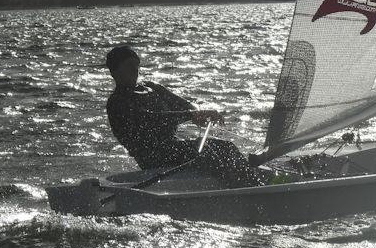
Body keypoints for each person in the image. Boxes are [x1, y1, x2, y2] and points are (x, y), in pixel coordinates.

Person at [105, 45, 265, 188]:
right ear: (114, 72)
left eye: (136, 65)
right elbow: (153, 119)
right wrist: (191, 115)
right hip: (154, 156)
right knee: (219, 151)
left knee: (226, 147)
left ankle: (252, 185)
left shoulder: (151, 88)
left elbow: (185, 105)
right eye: (129, 66)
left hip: (174, 147)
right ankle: (248, 190)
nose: (135, 70)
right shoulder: (118, 102)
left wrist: (198, 114)